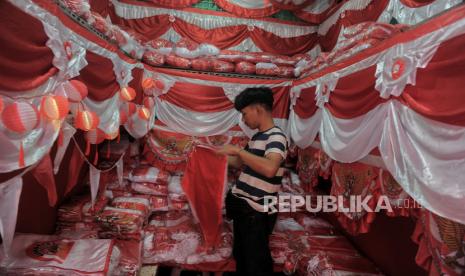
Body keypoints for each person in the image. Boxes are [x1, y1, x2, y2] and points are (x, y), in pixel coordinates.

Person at [217, 87, 287, 276]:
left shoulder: (277, 137)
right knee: (242, 258)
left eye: (245, 113)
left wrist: (238, 151)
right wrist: (213, 155)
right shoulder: (257, 137)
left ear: (258, 109)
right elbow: (239, 162)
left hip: (256, 214)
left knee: (255, 264)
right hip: (244, 209)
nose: (244, 119)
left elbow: (270, 168)